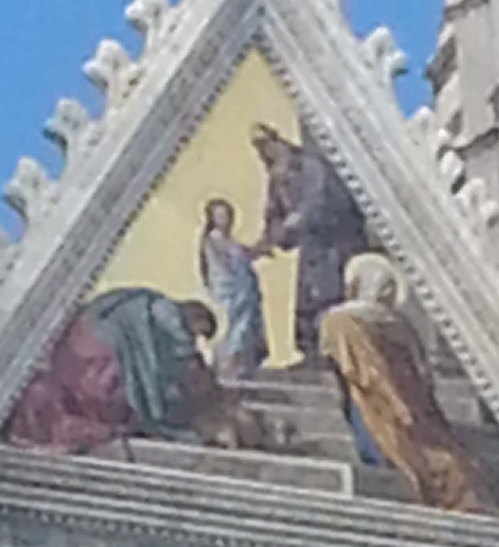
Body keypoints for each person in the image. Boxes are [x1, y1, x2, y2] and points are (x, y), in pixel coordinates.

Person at [319, 256, 484, 511]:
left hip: (378, 404)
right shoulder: (396, 323)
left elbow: (357, 369)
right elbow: (419, 373)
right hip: (396, 407)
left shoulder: (342, 320)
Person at [8, 291, 219, 453]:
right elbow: (176, 343)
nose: (194, 336)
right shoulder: (166, 310)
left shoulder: (152, 309)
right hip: (101, 349)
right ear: (197, 316)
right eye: (199, 331)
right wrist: (191, 357)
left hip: (85, 349)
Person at [250, 126, 365, 358]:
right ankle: (314, 350)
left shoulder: (309, 165)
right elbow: (273, 210)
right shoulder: (276, 173)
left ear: (277, 139)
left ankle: (339, 349)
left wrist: (290, 225)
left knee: (330, 293)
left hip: (331, 240)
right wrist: (269, 236)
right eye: (259, 148)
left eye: (266, 144)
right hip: (310, 244)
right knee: (309, 298)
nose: (264, 151)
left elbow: (315, 200)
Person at [199, 197, 267, 379]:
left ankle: (242, 367)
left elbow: (242, 255)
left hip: (242, 290)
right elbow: (228, 262)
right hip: (227, 291)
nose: (224, 220)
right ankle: (228, 368)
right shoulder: (214, 239)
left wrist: (259, 251)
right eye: (220, 216)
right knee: (230, 330)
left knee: (244, 330)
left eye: (227, 215)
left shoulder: (229, 240)